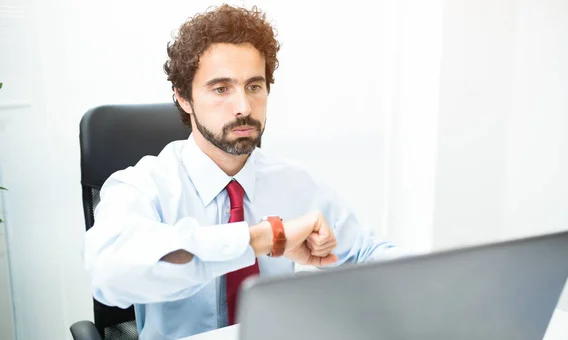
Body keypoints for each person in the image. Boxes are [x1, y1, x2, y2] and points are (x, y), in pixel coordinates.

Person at [83, 4, 411, 339]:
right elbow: (110, 276)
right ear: (183, 97)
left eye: (254, 86)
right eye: (221, 88)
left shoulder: (292, 182)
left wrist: (435, 281)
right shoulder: (142, 186)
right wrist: (263, 238)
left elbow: (365, 252)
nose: (243, 107)